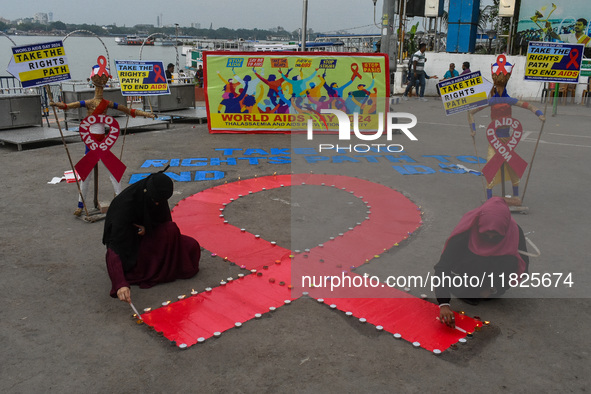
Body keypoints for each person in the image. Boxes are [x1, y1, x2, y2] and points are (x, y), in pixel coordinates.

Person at [50, 56, 155, 216]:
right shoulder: (90, 102)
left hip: (103, 143)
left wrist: (146, 114)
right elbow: (67, 106)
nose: (100, 86)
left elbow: (128, 110)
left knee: (114, 173)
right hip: (90, 143)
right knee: (86, 175)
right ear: (94, 83)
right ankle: (81, 204)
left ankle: (120, 201)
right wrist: (56, 104)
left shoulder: (106, 104)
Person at [103, 171, 201, 304]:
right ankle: (162, 268)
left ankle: (165, 266)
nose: (156, 205)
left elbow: (164, 224)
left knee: (191, 245)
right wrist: (120, 283)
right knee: (171, 231)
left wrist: (147, 229)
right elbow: (114, 247)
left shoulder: (157, 198)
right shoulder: (124, 207)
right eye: (155, 201)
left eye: (160, 202)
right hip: (131, 249)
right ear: (147, 193)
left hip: (150, 238)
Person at [434, 197, 529, 328]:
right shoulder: (466, 230)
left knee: (510, 260)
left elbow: (523, 268)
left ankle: (487, 290)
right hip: (468, 270)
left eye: (496, 236)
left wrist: (495, 288)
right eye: (486, 234)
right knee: (468, 291)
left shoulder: (514, 232)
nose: (490, 238)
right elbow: (443, 266)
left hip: (494, 278)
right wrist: (444, 303)